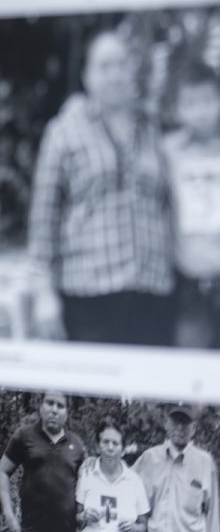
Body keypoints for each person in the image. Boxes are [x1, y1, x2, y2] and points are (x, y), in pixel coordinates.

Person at [27, 27, 174, 345]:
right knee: (93, 396)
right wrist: (43, 292)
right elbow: (44, 215)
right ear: (86, 75)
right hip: (88, 294)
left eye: (122, 64)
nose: (115, 74)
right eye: (104, 66)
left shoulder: (153, 129)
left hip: (153, 291)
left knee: (149, 394)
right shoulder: (64, 131)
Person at [162, 62, 220, 348]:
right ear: (178, 108)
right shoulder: (169, 151)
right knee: (191, 376)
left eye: (207, 101)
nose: (200, 112)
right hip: (189, 284)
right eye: (190, 103)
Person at [0, 391, 85, 532]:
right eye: (50, 403)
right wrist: (9, 514)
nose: (54, 410)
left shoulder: (77, 445)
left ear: (67, 412)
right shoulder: (24, 436)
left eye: (60, 406)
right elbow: (3, 471)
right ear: (41, 406)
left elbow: (85, 487)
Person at [132, 405, 220, 532]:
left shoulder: (205, 463)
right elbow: (125, 489)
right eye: (175, 422)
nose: (179, 428)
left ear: (193, 429)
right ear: (166, 424)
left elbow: (212, 514)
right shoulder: (149, 458)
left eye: (185, 423)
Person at [76, 419, 149, 532]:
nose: (110, 448)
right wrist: (83, 516)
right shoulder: (87, 474)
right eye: (105, 442)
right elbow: (76, 516)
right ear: (97, 446)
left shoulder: (135, 481)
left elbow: (144, 525)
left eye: (115, 443)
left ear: (123, 450)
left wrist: (134, 528)